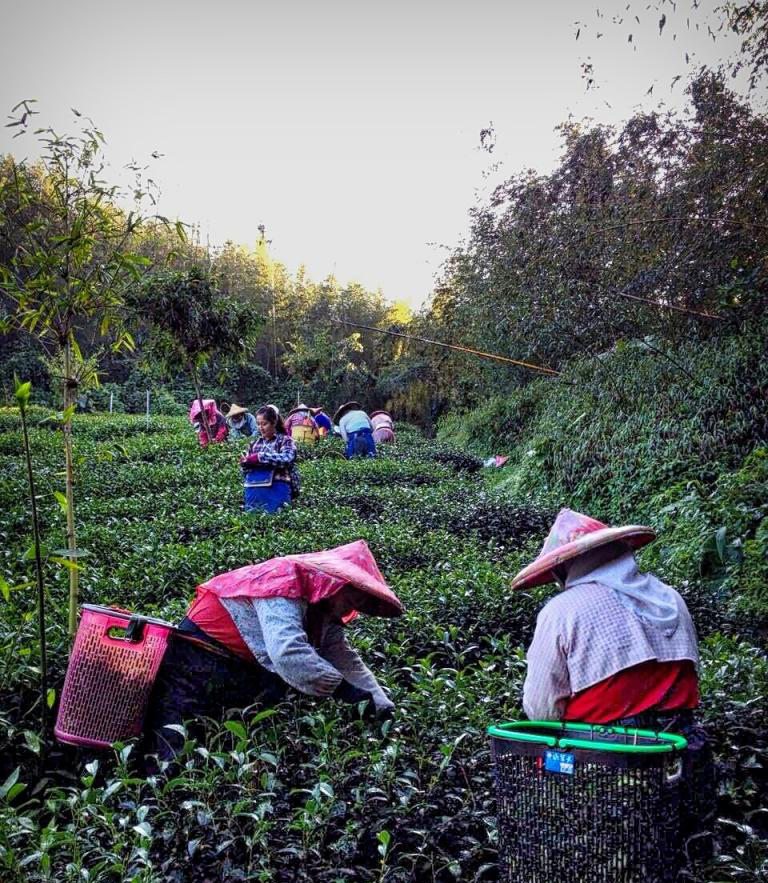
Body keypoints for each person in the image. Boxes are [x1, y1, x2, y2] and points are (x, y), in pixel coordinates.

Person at [512, 507, 714, 848]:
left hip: (603, 762)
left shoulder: (562, 611)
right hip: (680, 752)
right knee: (676, 852)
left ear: (569, 565)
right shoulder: (671, 598)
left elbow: (541, 710)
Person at [144, 540, 403, 760]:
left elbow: (343, 658)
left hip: (240, 663)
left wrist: (380, 703)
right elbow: (287, 653)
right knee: (180, 735)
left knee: (233, 734)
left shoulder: (323, 608)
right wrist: (344, 691)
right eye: (350, 601)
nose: (348, 611)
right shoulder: (283, 583)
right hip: (199, 655)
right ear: (335, 586)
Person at [239, 405, 298, 513]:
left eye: (264, 424)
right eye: (258, 424)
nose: (260, 428)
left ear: (274, 422)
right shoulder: (254, 444)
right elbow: (244, 472)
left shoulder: (285, 440)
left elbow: (288, 459)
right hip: (254, 490)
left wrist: (260, 457)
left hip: (277, 489)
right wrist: (245, 463)